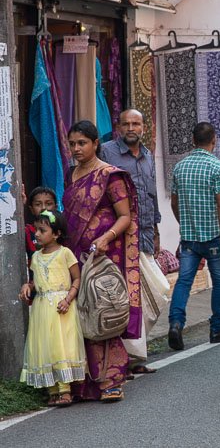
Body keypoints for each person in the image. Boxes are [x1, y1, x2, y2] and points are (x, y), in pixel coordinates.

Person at [63, 120, 140, 403]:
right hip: (76, 254)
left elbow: (125, 216)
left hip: (104, 255)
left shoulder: (110, 176)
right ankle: (82, 383)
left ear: (96, 144)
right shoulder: (71, 174)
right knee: (80, 314)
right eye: (72, 143)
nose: (76, 148)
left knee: (102, 312)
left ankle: (111, 380)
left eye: (82, 143)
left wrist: (105, 238)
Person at [100, 109, 161, 377]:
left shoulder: (148, 156)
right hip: (119, 239)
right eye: (126, 124)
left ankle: (134, 353)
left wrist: (156, 229)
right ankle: (125, 358)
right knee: (125, 300)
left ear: (144, 127)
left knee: (155, 296)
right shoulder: (106, 153)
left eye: (136, 123)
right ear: (118, 127)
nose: (131, 128)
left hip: (145, 236)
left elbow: (151, 194)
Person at [168, 122, 220, 350]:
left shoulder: (180, 167)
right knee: (219, 282)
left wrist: (184, 224)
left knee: (183, 282)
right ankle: (217, 328)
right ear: (214, 140)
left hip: (189, 240)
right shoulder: (217, 167)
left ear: (193, 140)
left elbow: (175, 203)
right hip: (214, 238)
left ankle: (175, 324)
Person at [18, 210, 87, 407]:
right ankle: (52, 390)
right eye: (36, 230)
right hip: (42, 309)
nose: (37, 234)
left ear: (56, 233)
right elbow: (35, 281)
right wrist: (27, 286)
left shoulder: (65, 253)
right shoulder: (36, 257)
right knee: (44, 346)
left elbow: (77, 278)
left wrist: (68, 298)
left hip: (61, 308)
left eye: (42, 230)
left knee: (61, 346)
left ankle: (65, 389)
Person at [24, 186, 57, 261]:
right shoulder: (28, 231)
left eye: (48, 204)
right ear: (31, 209)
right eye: (38, 204)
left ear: (55, 207)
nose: (43, 208)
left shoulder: (60, 229)